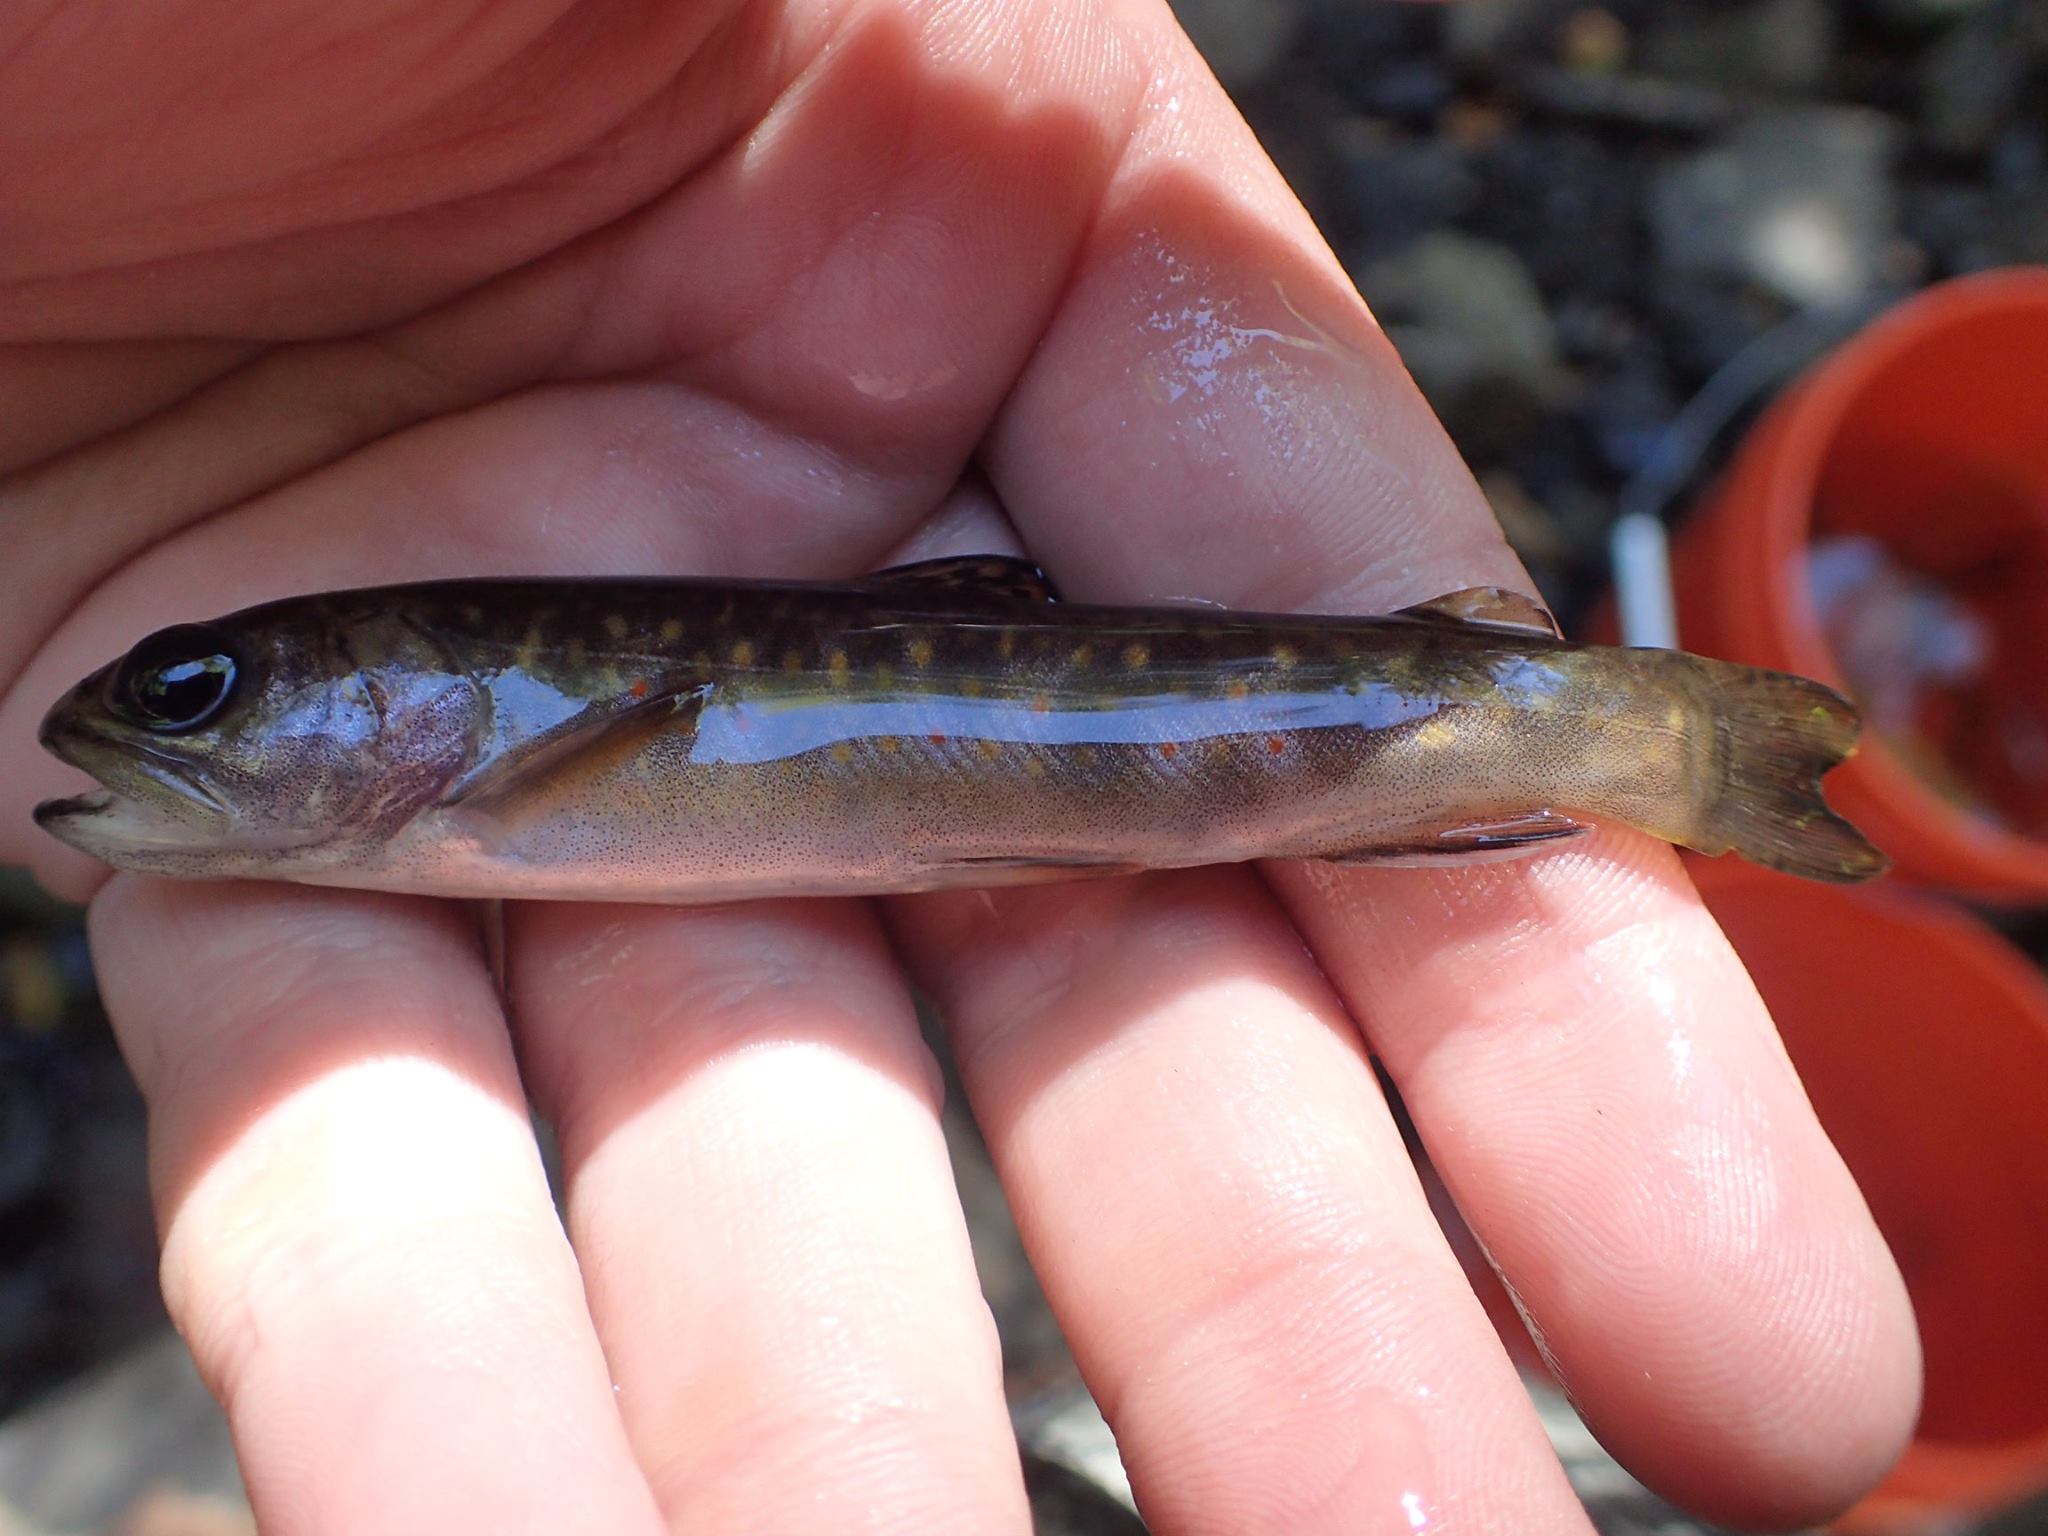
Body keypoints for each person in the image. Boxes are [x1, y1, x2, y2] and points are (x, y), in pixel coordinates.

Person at [0, 0, 1920, 1529]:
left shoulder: (492, 778)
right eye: (191, 706)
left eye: (199, 700)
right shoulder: (459, 785)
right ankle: (1657, 737)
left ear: (407, 696)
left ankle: (1661, 738)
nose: (150, 734)